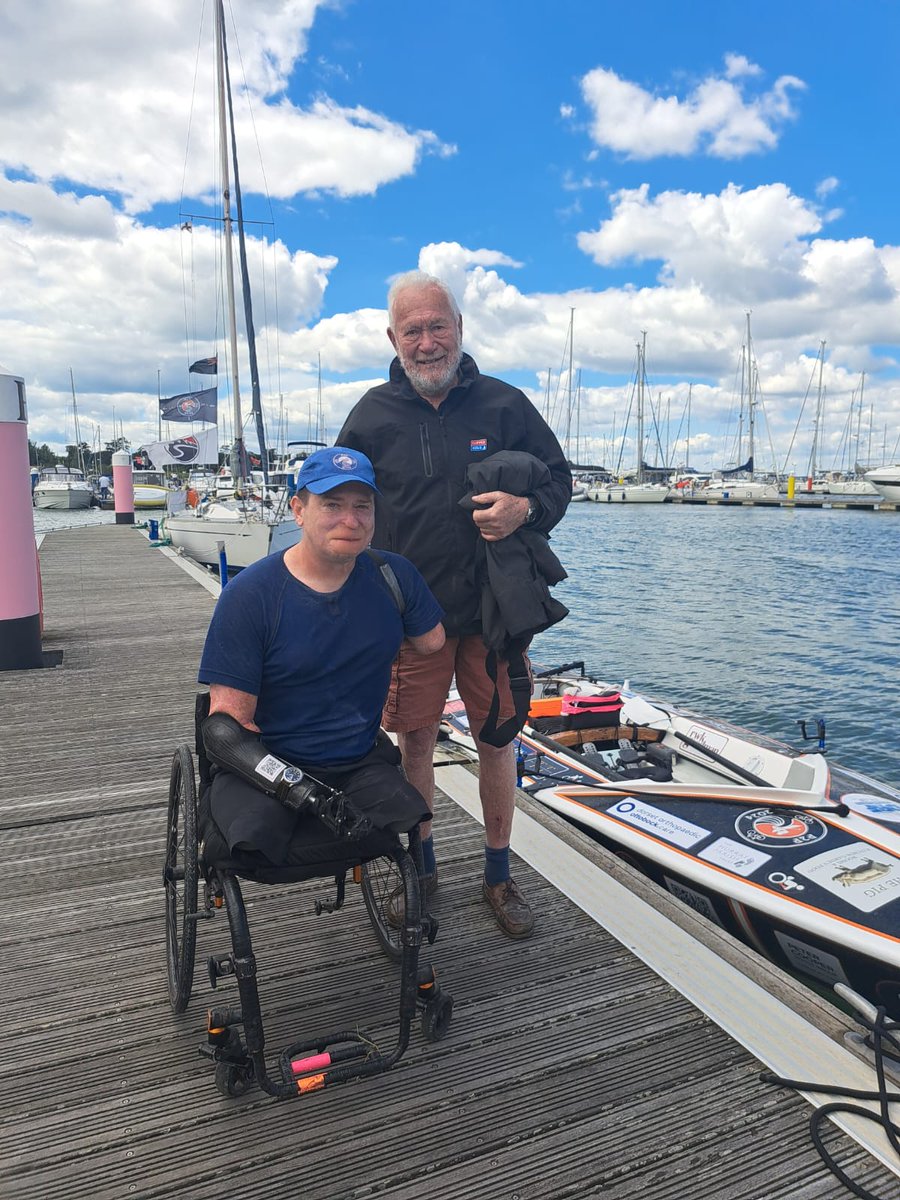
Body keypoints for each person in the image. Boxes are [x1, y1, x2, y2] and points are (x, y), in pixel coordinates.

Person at [338, 271, 572, 938]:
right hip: (409, 619)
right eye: (412, 329)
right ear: (393, 338)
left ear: (459, 329)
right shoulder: (371, 415)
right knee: (413, 740)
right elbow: (340, 506)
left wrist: (527, 507)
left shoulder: (505, 405)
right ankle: (423, 868)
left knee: (497, 743)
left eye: (437, 325)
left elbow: (559, 479)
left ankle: (499, 876)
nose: (427, 341)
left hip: (496, 613)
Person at [197, 446, 445, 868]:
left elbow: (432, 642)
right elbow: (225, 731)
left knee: (409, 814)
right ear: (298, 509)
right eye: (332, 504)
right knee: (250, 845)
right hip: (271, 764)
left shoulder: (394, 577)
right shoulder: (250, 596)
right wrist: (303, 792)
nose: (350, 520)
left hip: (356, 759)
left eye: (362, 507)